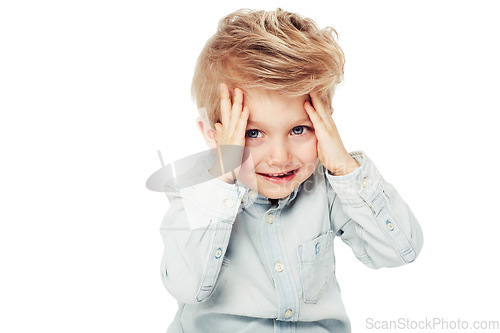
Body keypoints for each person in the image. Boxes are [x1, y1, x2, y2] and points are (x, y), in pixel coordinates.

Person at [149, 8, 423, 333]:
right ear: (213, 135)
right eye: (252, 133)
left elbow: (399, 251)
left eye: (299, 130)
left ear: (325, 124)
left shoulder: (327, 186)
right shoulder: (196, 193)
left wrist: (344, 167)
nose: (280, 157)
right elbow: (186, 286)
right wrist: (223, 177)